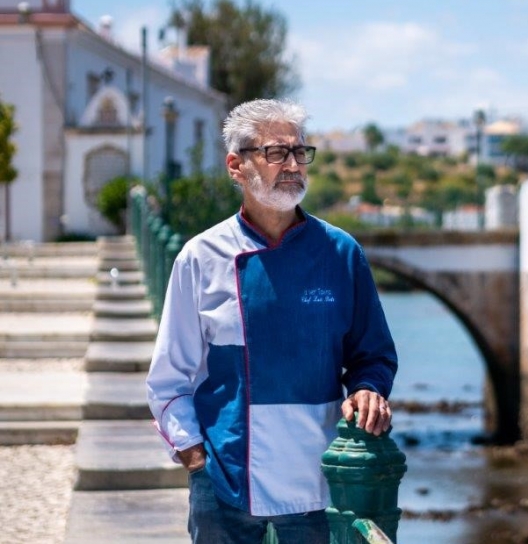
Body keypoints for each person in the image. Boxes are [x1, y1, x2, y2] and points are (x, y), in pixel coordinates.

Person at [146, 98, 398, 544]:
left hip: (319, 485)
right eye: (276, 152)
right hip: (226, 485)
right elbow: (170, 376)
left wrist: (368, 389)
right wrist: (196, 460)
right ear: (235, 165)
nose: (293, 165)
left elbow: (372, 354)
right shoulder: (200, 257)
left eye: (300, 152)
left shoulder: (341, 253)